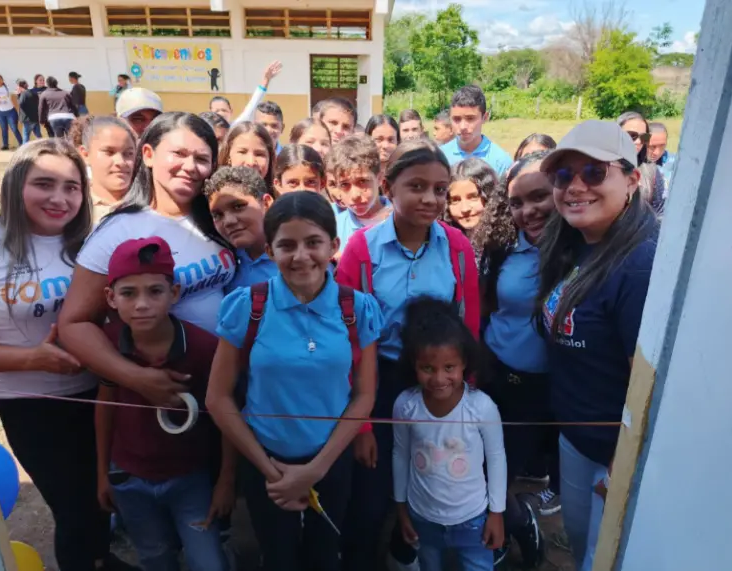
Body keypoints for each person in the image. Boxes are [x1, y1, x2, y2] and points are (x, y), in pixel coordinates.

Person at [0, 139, 134, 571]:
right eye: (44, 184)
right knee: (74, 510)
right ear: (14, 185)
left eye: (72, 186)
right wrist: (33, 359)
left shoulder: (92, 243)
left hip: (99, 393)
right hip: (35, 405)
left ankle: (102, 560)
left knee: (103, 498)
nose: (60, 198)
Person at [206, 190, 382, 571]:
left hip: (331, 460)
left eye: (313, 242)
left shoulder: (357, 309)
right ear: (269, 250)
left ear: (334, 245)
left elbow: (364, 395)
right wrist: (273, 472)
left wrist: (315, 470)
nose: (301, 256)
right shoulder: (247, 306)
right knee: (277, 556)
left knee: (324, 554)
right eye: (287, 245)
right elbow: (218, 398)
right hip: (265, 461)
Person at [337, 139, 481, 571]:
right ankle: (359, 559)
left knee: (432, 473)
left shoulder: (457, 249)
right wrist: (361, 424)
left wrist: (463, 397)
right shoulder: (362, 252)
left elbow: (468, 326)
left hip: (437, 381)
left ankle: (410, 555)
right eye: (416, 186)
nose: (430, 199)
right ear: (388, 186)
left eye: (440, 189)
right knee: (372, 489)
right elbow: (349, 339)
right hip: (375, 380)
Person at [537, 120, 658, 571]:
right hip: (576, 438)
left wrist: (619, 462)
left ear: (631, 179)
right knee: (580, 540)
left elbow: (644, 386)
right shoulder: (576, 244)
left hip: (613, 454)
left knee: (599, 559)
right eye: (564, 176)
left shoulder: (639, 266)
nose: (575, 187)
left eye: (594, 172)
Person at [57, 112, 234, 409]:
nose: (190, 166)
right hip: (165, 387)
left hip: (224, 379)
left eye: (202, 159)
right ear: (149, 155)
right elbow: (74, 324)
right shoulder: (118, 231)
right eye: (178, 154)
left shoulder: (217, 220)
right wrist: (135, 377)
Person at [96, 236, 233, 571]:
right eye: (129, 293)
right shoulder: (108, 344)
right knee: (154, 556)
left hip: (191, 479)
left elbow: (228, 416)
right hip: (129, 478)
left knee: (209, 563)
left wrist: (227, 481)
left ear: (173, 294)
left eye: (154, 291)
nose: (142, 304)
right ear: (110, 298)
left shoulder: (204, 348)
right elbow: (105, 406)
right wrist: (102, 473)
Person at [480, 152, 556, 567]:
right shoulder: (503, 249)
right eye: (516, 202)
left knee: (503, 471)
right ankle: (506, 528)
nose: (528, 211)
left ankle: (512, 525)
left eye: (539, 196)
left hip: (540, 388)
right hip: (494, 374)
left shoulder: (584, 250)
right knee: (482, 467)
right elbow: (488, 308)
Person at [393, 297, 506, 571]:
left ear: (464, 362)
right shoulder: (405, 405)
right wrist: (401, 509)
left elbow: (496, 458)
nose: (439, 379)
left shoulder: (482, 407)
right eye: (428, 368)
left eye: (449, 368)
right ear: (413, 365)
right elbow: (400, 455)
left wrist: (496, 513)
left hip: (473, 519)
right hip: (423, 518)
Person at [205, 166, 276, 290]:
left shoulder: (295, 259)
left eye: (238, 206)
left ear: (266, 203)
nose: (228, 222)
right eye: (217, 215)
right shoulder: (224, 264)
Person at [331, 135, 392, 255]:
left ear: (379, 178)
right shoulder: (334, 229)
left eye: (362, 181)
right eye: (344, 184)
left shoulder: (401, 220)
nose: (354, 195)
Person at [446, 158, 510, 269]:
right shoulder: (444, 243)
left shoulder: (506, 242)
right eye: (455, 200)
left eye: (473, 197)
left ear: (490, 197)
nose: (465, 209)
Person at [441, 85, 511, 175]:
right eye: (457, 119)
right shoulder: (440, 157)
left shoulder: (501, 161)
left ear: (484, 118)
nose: (463, 127)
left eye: (470, 118)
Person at [77, 116, 137, 222]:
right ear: (85, 154)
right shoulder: (75, 206)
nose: (121, 162)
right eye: (109, 152)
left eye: (128, 153)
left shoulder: (150, 203)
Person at [616, 111, 666, 213]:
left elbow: (659, 212)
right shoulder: (601, 165)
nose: (638, 141)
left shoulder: (652, 171)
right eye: (631, 135)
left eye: (644, 137)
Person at [209, 60, 283, 125]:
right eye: (217, 111)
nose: (221, 114)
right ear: (210, 113)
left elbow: (254, 104)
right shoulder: (206, 133)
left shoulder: (237, 127)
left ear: (231, 111)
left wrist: (266, 79)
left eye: (224, 110)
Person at [218, 121, 275, 192]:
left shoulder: (279, 200)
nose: (251, 162)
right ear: (228, 156)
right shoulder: (214, 198)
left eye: (259, 154)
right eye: (242, 152)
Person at [0, 74, 21, 150]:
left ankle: (21, 143)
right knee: (4, 129)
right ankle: (5, 145)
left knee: (14, 128)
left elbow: (16, 92)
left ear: (2, 79)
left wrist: (19, 89)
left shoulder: (7, 87)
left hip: (10, 112)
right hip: (0, 112)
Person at [647, 122, 676, 191]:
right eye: (652, 147)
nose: (657, 152)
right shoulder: (633, 165)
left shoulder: (676, 162)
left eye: (662, 146)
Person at [16, 79, 41, 143]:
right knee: (38, 136)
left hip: (27, 119)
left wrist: (18, 95)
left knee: (26, 136)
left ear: (19, 87)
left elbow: (20, 103)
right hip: (35, 118)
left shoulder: (23, 94)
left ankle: (24, 151)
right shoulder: (33, 93)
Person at [32, 74, 55, 138]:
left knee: (51, 130)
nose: (42, 81)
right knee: (37, 132)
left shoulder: (48, 89)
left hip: (48, 113)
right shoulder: (32, 91)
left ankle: (53, 144)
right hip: (37, 114)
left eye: (43, 80)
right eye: (40, 80)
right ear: (36, 81)